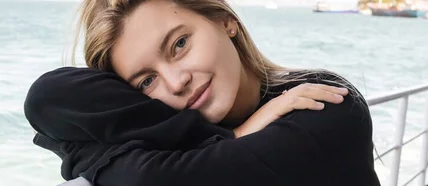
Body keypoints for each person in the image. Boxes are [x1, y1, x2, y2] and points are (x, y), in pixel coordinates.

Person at [26, 0, 381, 185]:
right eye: (146, 81)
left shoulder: (326, 106)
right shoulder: (170, 132)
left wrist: (82, 151)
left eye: (179, 44)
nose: (175, 81)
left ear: (225, 21)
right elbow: (46, 98)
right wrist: (232, 135)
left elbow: (154, 180)